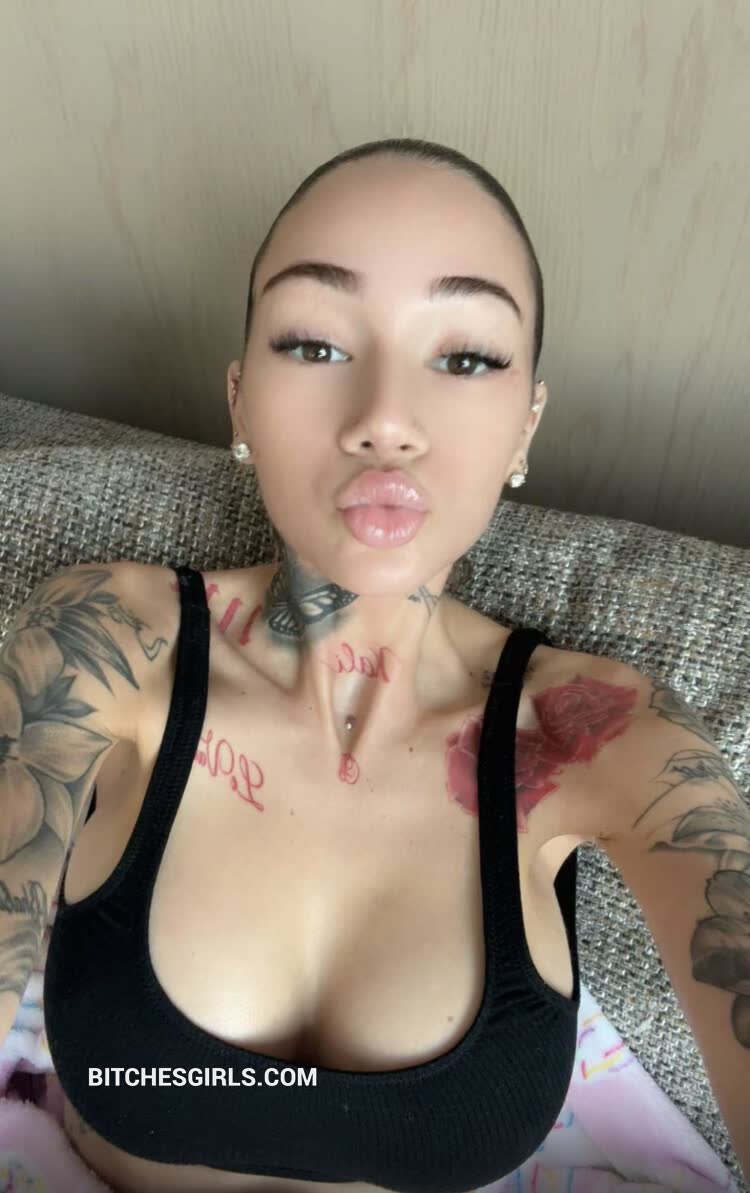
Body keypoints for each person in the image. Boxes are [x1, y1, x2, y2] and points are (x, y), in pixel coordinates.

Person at [1, 138, 638, 1193]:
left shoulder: (597, 725)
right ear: (240, 400)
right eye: (314, 342)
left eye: (465, 357)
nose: (385, 417)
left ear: (529, 418)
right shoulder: (106, 632)